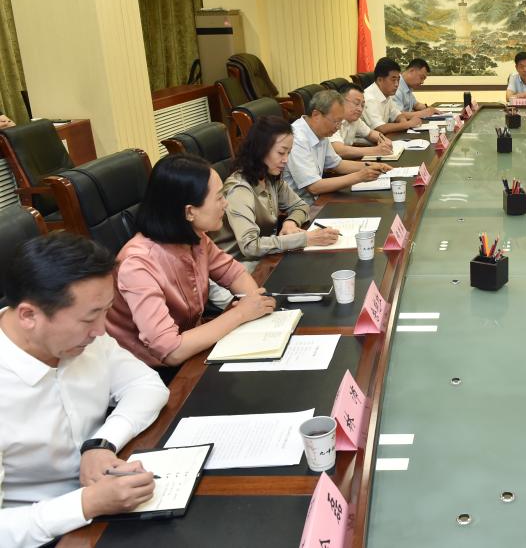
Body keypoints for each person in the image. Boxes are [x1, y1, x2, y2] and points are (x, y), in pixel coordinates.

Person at [0, 233, 169, 547]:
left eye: (106, 311)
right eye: (90, 318)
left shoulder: (84, 338)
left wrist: (100, 444)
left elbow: (146, 385)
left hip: (111, 499)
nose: (101, 330)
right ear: (28, 315)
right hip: (44, 532)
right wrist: (87, 503)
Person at [105, 154, 278, 367]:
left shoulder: (196, 237)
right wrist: (241, 313)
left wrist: (254, 303)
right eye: (219, 197)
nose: (225, 203)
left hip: (195, 346)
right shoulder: (137, 264)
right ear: (189, 212)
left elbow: (234, 274)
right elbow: (170, 351)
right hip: (150, 370)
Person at [213, 115, 339, 264]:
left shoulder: (270, 177)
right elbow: (250, 246)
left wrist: (290, 222)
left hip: (266, 256)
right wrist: (305, 239)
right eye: (281, 153)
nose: (286, 160)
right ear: (261, 149)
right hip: (238, 265)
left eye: (288, 153)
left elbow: (300, 205)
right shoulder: (239, 189)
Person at [283, 89, 390, 204]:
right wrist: (359, 176)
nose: (338, 127)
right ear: (316, 115)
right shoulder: (297, 138)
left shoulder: (320, 132)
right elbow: (314, 187)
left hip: (317, 198)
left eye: (340, 122)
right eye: (336, 121)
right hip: (299, 206)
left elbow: (337, 165)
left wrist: (372, 165)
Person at [327, 85, 394, 160]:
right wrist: (375, 150)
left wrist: (385, 140)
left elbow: (370, 133)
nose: (360, 109)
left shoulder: (355, 120)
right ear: (341, 102)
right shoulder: (331, 120)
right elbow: (340, 150)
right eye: (356, 103)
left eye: (362, 105)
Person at [361, 57, 423, 134]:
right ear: (380, 80)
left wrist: (404, 123)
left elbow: (397, 115)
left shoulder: (386, 94)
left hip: (384, 137)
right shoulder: (369, 98)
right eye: (393, 80)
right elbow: (380, 128)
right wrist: (408, 124)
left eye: (398, 80)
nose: (397, 84)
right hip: (367, 141)